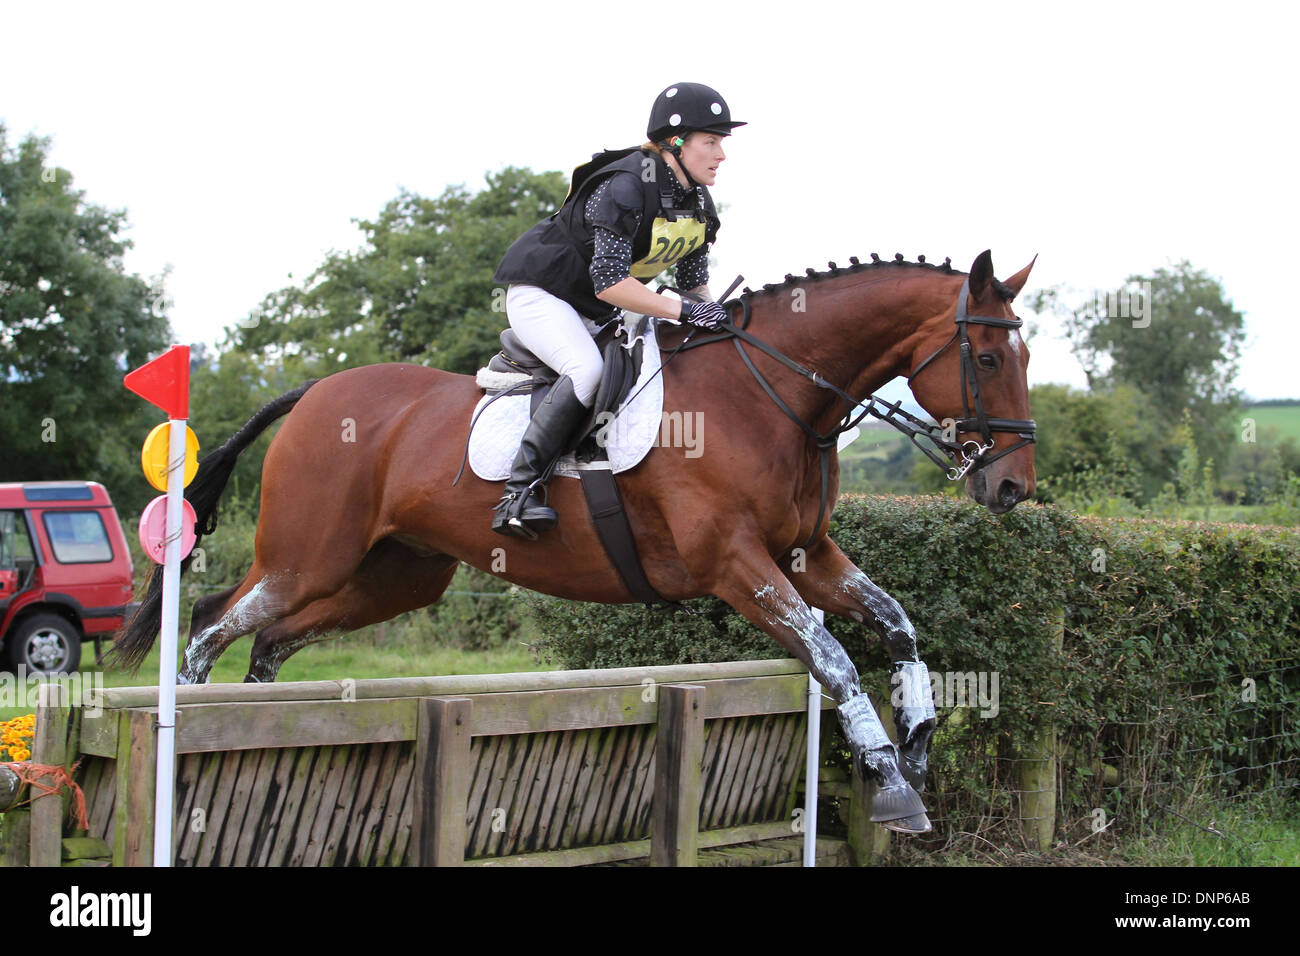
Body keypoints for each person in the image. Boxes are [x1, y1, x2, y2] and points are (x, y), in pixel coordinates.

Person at [488, 82, 745, 538]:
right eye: (711, 141)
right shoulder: (626, 186)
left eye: (721, 142)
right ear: (676, 142)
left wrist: (724, 322)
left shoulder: (698, 203)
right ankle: (517, 493)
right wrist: (681, 310)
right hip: (543, 294)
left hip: (595, 308)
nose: (721, 154)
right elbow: (610, 285)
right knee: (587, 372)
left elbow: (693, 287)